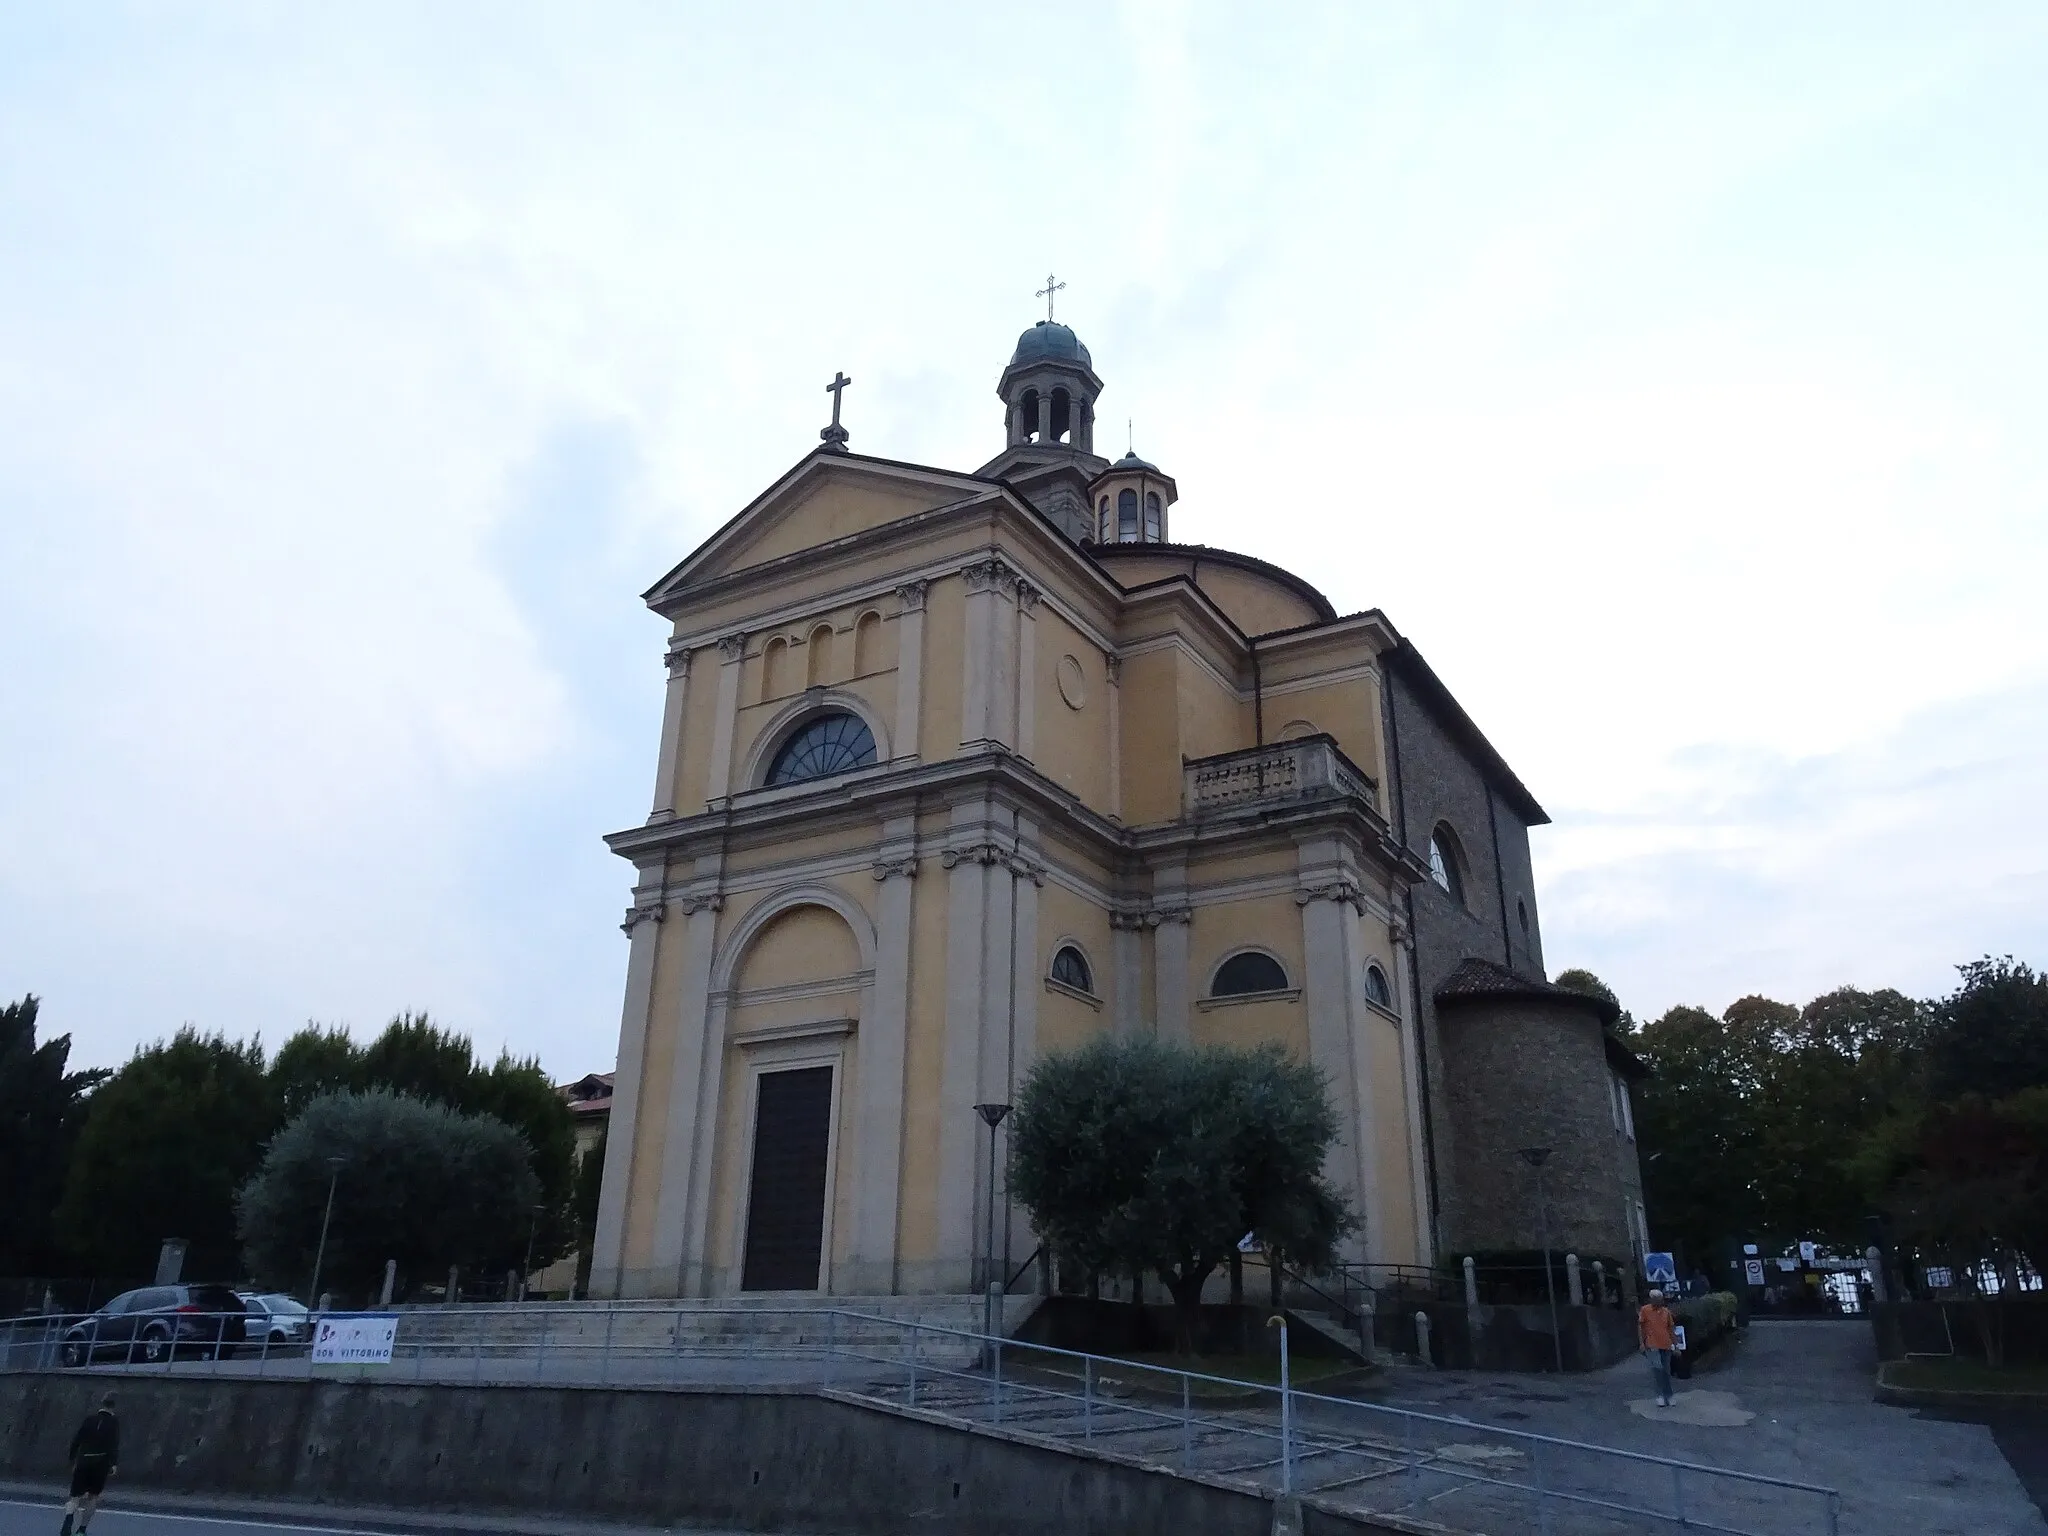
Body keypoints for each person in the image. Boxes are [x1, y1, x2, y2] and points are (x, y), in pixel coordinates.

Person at [59, 1392, 119, 1536]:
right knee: (93, 1497)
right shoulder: (114, 1423)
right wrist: (113, 1463)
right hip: (101, 1464)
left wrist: (72, 1458)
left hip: (83, 1460)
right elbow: (113, 1445)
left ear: (102, 1403)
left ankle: (68, 1519)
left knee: (75, 1496)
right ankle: (82, 1530)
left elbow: (77, 1440)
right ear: (113, 1407)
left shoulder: (89, 1420)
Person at [1639, 1288, 1677, 1407]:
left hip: (1666, 1344)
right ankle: (1660, 1395)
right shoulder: (1645, 1310)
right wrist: (1641, 1343)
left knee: (1666, 1371)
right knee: (1657, 1368)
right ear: (1652, 1299)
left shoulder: (1666, 1312)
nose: (1659, 1301)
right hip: (1652, 1343)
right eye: (1656, 1299)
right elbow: (1640, 1327)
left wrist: (1675, 1345)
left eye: (1660, 1299)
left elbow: (1671, 1329)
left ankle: (1668, 1395)